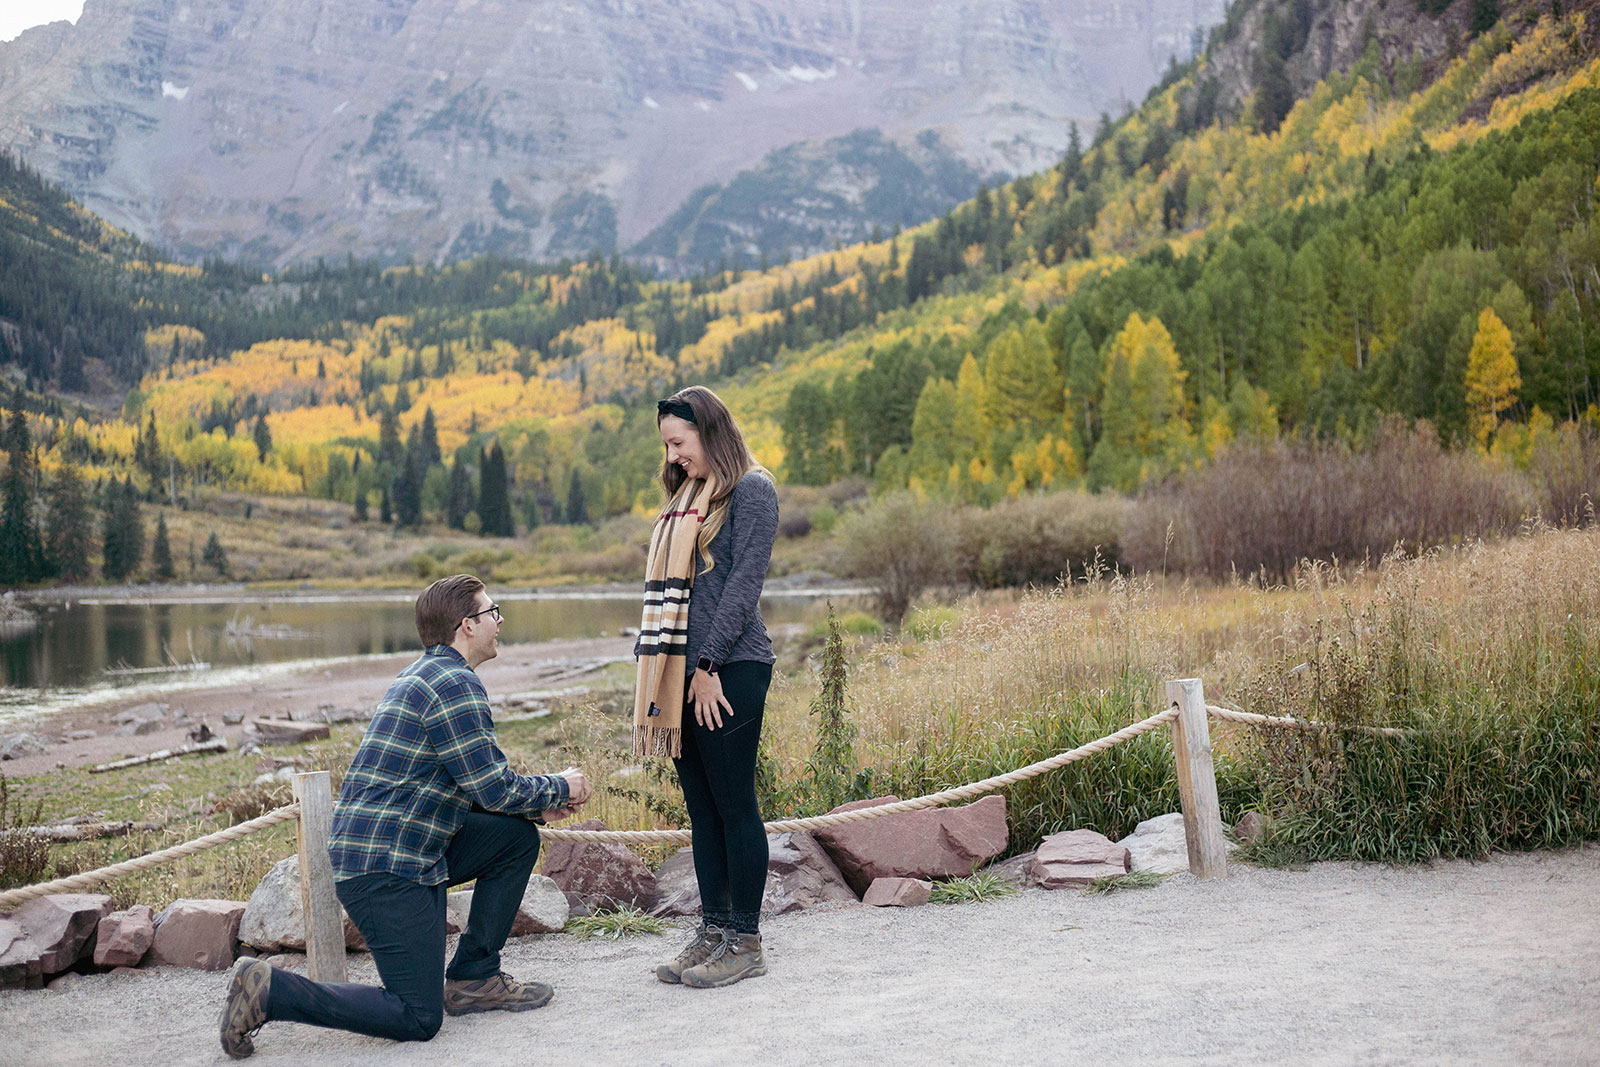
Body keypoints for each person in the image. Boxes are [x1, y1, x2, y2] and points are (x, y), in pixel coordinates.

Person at [219, 574, 592, 1058]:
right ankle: (272, 991)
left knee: (514, 839)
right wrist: (562, 785)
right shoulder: (453, 684)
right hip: (385, 868)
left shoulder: (427, 673)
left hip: (410, 847)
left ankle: (475, 979)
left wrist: (537, 805)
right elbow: (494, 786)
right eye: (492, 611)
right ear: (467, 626)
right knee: (417, 1016)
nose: (500, 621)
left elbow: (467, 784)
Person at [636, 386, 780, 989]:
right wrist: (674, 670)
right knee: (701, 811)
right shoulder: (691, 497)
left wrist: (708, 666)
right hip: (684, 675)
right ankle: (713, 929)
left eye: (679, 443)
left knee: (733, 803)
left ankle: (744, 940)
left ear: (709, 432)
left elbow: (742, 588)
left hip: (729, 671)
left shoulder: (752, 490)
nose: (672, 456)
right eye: (667, 445)